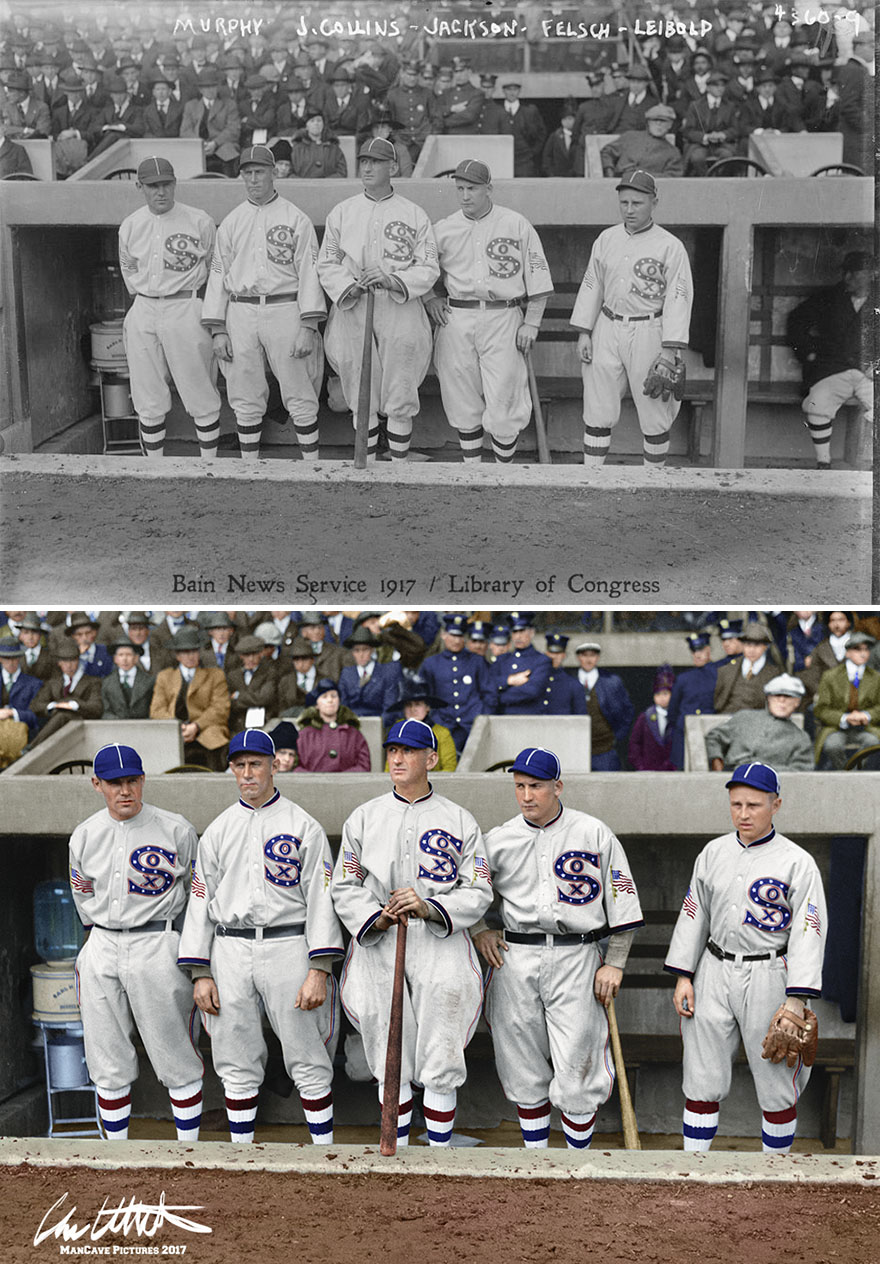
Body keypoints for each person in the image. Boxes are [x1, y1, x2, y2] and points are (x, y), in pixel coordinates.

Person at [177, 729, 344, 1143]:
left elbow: (323, 899)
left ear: (275, 765)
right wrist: (200, 970)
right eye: (240, 765)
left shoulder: (302, 825)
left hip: (289, 943)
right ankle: (241, 1158)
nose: (248, 773)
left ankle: (324, 1154)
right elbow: (199, 900)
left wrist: (318, 968)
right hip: (230, 946)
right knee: (234, 1056)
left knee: (307, 1054)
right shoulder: (217, 830)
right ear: (231, 769)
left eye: (256, 764)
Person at [472, 746, 643, 1149]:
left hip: (577, 954)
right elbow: (468, 890)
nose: (527, 795)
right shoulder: (497, 839)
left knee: (578, 1060)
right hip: (516, 955)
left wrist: (615, 961)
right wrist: (480, 928)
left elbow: (623, 897)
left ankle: (575, 1163)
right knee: (520, 1059)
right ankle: (537, 1162)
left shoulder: (594, 833)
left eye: (536, 786)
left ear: (558, 786)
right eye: (519, 786)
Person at [331, 718, 492, 1145]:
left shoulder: (459, 819)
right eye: (393, 751)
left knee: (442, 1043)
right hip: (382, 937)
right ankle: (397, 1149)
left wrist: (430, 906)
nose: (398, 758)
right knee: (388, 1045)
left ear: (431, 759)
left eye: (409, 751)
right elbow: (344, 884)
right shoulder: (364, 817)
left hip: (439, 937)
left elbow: (478, 887)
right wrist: (378, 918)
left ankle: (438, 1151)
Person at [665, 762, 826, 1152]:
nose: (743, 813)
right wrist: (684, 975)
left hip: (769, 970)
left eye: (754, 804)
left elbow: (809, 930)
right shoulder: (713, 852)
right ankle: (695, 1170)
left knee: (775, 1083)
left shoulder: (797, 861)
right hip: (714, 968)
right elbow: (694, 912)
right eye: (736, 804)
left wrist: (795, 998)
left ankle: (775, 1174)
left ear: (776, 804)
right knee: (701, 1075)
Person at [69, 743, 204, 1141]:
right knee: (106, 1058)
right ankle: (116, 1157)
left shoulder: (176, 828)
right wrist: (96, 942)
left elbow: (197, 896)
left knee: (175, 1054)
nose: (124, 790)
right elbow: (81, 892)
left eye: (132, 781)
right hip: (102, 943)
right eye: (115, 783)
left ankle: (188, 1156)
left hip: (157, 941)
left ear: (143, 781)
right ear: (97, 784)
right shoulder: (85, 835)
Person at [316, 135, 439, 462]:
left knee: (400, 389)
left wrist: (393, 279)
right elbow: (326, 262)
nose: (368, 167)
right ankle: (367, 466)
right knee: (360, 389)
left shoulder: (414, 214)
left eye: (377, 162)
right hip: (355, 305)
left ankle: (397, 468)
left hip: (399, 305)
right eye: (364, 161)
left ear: (394, 167)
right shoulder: (342, 212)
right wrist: (350, 287)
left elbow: (429, 266)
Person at [202, 143, 326, 460]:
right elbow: (218, 274)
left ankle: (312, 467)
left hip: (285, 307)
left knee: (299, 388)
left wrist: (308, 325)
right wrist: (218, 328)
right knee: (244, 391)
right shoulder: (231, 222)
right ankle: (249, 469)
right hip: (240, 309)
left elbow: (311, 272)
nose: (254, 179)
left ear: (274, 173)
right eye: (248, 173)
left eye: (260, 172)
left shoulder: (295, 218)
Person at [426, 159, 553, 464]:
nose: (465, 195)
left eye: (472, 188)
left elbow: (537, 272)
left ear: (489, 189)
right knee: (460, 394)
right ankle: (472, 471)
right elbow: (421, 268)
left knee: (504, 395)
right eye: (460, 188)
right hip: (458, 316)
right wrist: (430, 297)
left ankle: (502, 473)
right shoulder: (443, 228)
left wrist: (532, 322)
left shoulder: (516, 224)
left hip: (503, 315)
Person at [572, 168, 693, 467]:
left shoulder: (670, 246)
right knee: (598, 405)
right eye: (624, 202)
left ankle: (652, 482)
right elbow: (592, 284)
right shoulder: (606, 238)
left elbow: (679, 297)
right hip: (607, 325)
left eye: (637, 203)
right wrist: (584, 331)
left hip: (649, 327)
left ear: (654, 202)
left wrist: (669, 349)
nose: (629, 209)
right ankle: (593, 478)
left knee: (655, 412)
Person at [118, 156, 222, 458]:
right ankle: (155, 471)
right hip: (144, 307)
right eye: (152, 186)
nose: (160, 192)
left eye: (165, 184)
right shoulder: (131, 225)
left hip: (185, 305)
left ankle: (209, 468)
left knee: (199, 390)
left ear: (175, 184)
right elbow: (128, 268)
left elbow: (215, 268)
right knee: (147, 396)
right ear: (140, 186)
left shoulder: (199, 220)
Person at [787, 251, 874, 471]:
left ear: (872, 273)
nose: (847, 278)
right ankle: (823, 463)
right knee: (817, 403)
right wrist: (808, 353)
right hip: (833, 369)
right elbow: (796, 320)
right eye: (845, 272)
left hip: (870, 373)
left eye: (854, 273)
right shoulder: (829, 297)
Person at [148, 627, 230, 770]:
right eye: (185, 652)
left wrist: (196, 726)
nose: (190, 656)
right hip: (174, 731)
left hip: (206, 730)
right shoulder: (165, 677)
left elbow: (221, 708)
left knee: (215, 740)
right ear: (177, 655)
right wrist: (178, 727)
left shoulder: (215, 675)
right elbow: (157, 710)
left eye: (194, 651)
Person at [706, 673, 814, 772]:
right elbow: (714, 737)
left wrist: (764, 769)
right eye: (777, 695)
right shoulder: (744, 717)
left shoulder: (801, 738)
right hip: (729, 776)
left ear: (797, 702)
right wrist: (716, 760)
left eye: (788, 696)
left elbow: (800, 772)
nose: (782, 701)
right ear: (769, 698)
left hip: (765, 785)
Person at [419, 612, 494, 752]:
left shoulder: (477, 661)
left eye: (460, 636)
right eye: (453, 635)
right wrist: (434, 718)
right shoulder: (431, 663)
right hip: (442, 725)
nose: (457, 640)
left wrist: (482, 716)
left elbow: (489, 693)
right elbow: (424, 696)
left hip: (472, 725)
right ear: (443, 635)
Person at [814, 632, 880, 769]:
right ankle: (845, 774)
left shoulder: (876, 677)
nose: (863, 654)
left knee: (873, 742)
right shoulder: (831, 676)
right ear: (847, 653)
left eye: (866, 649)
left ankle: (855, 774)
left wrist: (866, 715)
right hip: (837, 727)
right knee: (832, 745)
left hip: (865, 728)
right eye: (857, 649)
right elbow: (821, 709)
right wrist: (845, 718)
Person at [31, 636, 103, 746]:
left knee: (62, 716)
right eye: (65, 661)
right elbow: (36, 705)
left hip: (81, 728)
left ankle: (33, 747)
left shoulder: (92, 682)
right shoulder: (53, 682)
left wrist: (74, 704)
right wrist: (54, 705)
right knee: (60, 714)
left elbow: (96, 707)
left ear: (78, 661)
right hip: (56, 731)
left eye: (73, 660)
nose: (69, 665)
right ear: (59, 663)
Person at [574, 640, 635, 770]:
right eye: (585, 655)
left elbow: (627, 710)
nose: (588, 660)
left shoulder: (612, 682)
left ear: (598, 657)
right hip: (576, 749)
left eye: (592, 655)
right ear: (578, 657)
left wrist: (617, 736)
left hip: (605, 750)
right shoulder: (570, 682)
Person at [667, 631, 721, 769]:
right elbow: (673, 711)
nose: (697, 654)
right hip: (684, 734)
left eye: (701, 649)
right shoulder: (684, 679)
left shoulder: (720, 674)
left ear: (709, 649)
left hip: (710, 732)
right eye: (694, 650)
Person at [295, 677, 371, 771]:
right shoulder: (304, 735)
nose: (330, 700)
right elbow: (295, 766)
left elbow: (364, 765)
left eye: (334, 696)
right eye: (324, 696)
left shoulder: (353, 734)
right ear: (316, 704)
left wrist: (343, 781)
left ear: (339, 701)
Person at [180, 65, 240, 177]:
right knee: (185, 156)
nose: (210, 90)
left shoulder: (229, 104)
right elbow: (185, 131)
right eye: (206, 87)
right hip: (197, 146)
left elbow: (233, 129)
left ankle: (230, 186)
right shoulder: (191, 106)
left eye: (213, 86)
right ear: (200, 90)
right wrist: (200, 144)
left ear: (217, 87)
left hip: (222, 145)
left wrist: (215, 143)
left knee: (229, 152)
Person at [488, 613, 552, 715]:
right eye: (514, 632)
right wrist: (509, 680)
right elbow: (489, 684)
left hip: (528, 719)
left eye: (522, 631)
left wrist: (500, 696)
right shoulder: (502, 660)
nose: (518, 636)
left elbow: (532, 691)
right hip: (503, 719)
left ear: (532, 632)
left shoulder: (542, 660)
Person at [600, 103, 685, 179]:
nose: (658, 124)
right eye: (655, 120)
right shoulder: (630, 137)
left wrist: (645, 177)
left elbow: (672, 178)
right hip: (618, 182)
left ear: (669, 125)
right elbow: (607, 152)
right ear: (648, 122)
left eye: (663, 121)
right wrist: (609, 172)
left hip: (647, 189)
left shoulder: (673, 152)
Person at [390, 676, 458, 770]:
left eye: (418, 705)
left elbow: (449, 768)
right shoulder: (396, 732)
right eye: (409, 705)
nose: (413, 709)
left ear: (427, 708)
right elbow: (390, 767)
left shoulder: (442, 734)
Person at [682, 69, 739, 175]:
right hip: (699, 144)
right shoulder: (695, 105)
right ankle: (706, 180)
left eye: (722, 86)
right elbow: (688, 130)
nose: (720, 88)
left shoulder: (730, 106)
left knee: (728, 157)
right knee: (697, 158)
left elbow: (735, 129)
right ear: (708, 88)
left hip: (722, 144)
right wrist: (705, 137)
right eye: (716, 85)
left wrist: (722, 135)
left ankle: (719, 180)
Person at [337, 625, 402, 717]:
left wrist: (379, 726)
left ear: (372, 650)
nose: (361, 655)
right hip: (352, 722)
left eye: (365, 650)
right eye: (357, 650)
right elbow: (342, 704)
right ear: (352, 653)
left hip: (377, 721)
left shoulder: (386, 672)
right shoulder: (347, 673)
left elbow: (389, 707)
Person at [713, 624, 778, 713]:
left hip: (757, 720)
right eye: (748, 645)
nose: (752, 650)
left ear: (765, 647)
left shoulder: (774, 674)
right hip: (728, 719)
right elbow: (718, 701)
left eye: (757, 645)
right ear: (743, 645)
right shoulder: (726, 669)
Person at [0, 636, 41, 765]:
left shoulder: (34, 684)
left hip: (20, 743)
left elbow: (36, 717)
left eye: (14, 658)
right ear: (0, 659)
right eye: (7, 658)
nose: (11, 663)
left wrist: (13, 712)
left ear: (20, 658)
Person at [226, 634, 278, 733]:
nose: (251, 659)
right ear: (241, 656)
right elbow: (228, 701)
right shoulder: (233, 675)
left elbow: (264, 698)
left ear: (261, 654)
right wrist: (253, 699)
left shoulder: (269, 672)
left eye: (254, 654)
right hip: (237, 724)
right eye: (247, 655)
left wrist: (238, 696)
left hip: (263, 724)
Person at [628, 664, 676, 769]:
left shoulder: (678, 716)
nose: (662, 698)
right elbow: (634, 744)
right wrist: (641, 766)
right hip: (649, 770)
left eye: (665, 694)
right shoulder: (645, 717)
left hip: (673, 771)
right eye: (658, 694)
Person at [496, 80, 546, 176]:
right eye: (509, 89)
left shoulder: (530, 110)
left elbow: (541, 132)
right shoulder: (497, 110)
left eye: (515, 89)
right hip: (502, 157)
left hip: (525, 159)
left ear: (519, 91)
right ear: (503, 91)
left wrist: (534, 151)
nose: (512, 92)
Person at [100, 633, 155, 720]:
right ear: (115, 659)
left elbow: (153, 709)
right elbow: (106, 711)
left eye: (128, 655)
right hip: (117, 728)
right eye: (121, 655)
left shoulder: (149, 681)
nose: (125, 659)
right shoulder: (107, 682)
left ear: (136, 658)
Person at [539, 632, 588, 714]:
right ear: (546, 654)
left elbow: (580, 718)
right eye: (551, 653)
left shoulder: (574, 685)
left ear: (564, 655)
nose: (554, 657)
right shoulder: (536, 680)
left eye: (558, 653)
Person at [289, 111, 347, 178]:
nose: (316, 123)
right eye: (312, 121)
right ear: (306, 126)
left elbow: (342, 172)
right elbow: (290, 173)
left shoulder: (334, 149)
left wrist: (326, 183)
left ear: (323, 125)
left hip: (329, 187)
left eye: (319, 120)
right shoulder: (297, 149)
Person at [541, 101, 584, 177]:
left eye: (570, 119)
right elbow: (547, 157)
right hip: (558, 177)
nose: (567, 122)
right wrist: (551, 174)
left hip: (576, 177)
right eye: (564, 119)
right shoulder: (555, 136)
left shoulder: (580, 136)